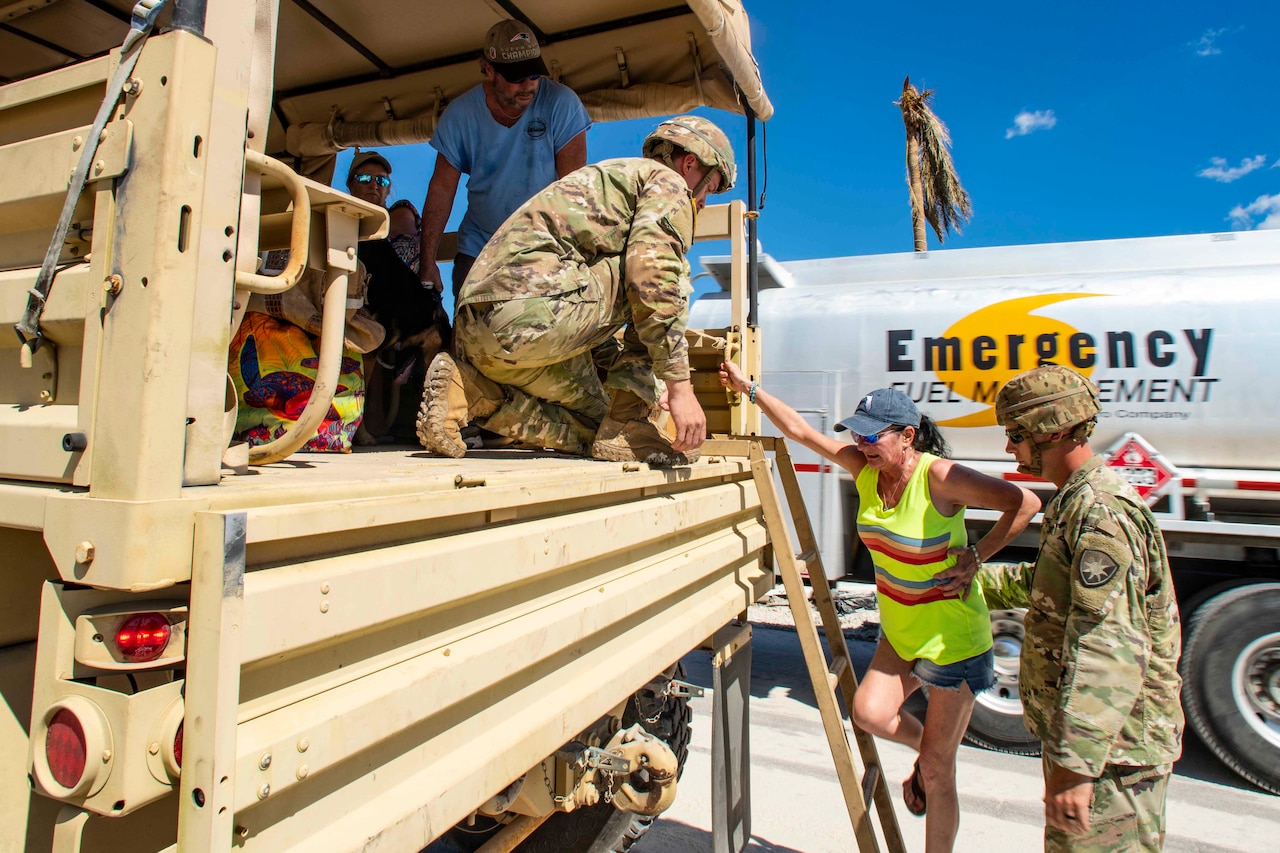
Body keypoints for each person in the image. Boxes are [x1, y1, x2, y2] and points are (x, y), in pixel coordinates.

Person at [718, 363, 1039, 853]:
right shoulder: (865, 471)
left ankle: (933, 780)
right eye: (858, 436)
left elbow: (1025, 503)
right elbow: (801, 430)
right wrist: (752, 390)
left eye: (873, 437)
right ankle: (929, 751)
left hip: (954, 639)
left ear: (908, 436)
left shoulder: (941, 477)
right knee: (868, 713)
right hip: (901, 630)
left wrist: (976, 556)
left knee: (937, 771)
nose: (863, 445)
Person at [415, 115, 735, 466]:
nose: (702, 202)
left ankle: (474, 394)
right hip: (530, 312)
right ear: (690, 164)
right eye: (708, 188)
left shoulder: (609, 179)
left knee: (600, 428)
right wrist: (679, 388)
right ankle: (627, 421)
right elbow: (652, 279)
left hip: (479, 329)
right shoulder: (669, 183)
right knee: (667, 273)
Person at [978, 365, 1182, 852]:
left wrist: (1077, 765)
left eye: (1016, 434)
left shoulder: (1099, 511)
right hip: (1098, 745)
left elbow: (1108, 647)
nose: (1010, 448)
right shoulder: (1076, 500)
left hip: (1114, 751)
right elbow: (1053, 589)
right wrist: (972, 580)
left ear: (1054, 429)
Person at [418, 19, 591, 300]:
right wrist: (427, 262)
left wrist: (573, 260)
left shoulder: (562, 103)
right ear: (489, 70)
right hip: (480, 248)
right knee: (469, 339)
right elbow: (441, 190)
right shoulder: (460, 115)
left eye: (534, 75)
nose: (528, 85)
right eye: (516, 77)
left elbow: (573, 189)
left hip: (545, 250)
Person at [387, 199, 422, 274]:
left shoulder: (401, 209)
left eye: (383, 185)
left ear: (388, 189)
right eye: (365, 185)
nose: (374, 186)